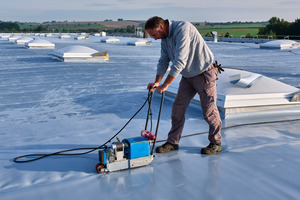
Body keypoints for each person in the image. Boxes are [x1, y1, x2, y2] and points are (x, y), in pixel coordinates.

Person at [145, 16, 223, 155]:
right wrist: (157, 82)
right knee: (178, 109)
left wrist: (166, 85)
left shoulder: (183, 29)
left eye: (154, 35)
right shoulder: (164, 38)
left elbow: (180, 61)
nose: (155, 38)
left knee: (209, 111)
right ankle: (173, 142)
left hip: (204, 73)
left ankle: (215, 142)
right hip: (188, 76)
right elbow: (164, 60)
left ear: (161, 27)